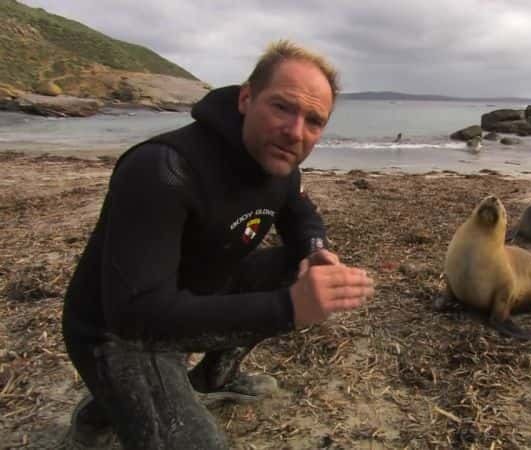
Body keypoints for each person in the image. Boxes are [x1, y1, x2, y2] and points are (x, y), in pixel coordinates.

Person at [62, 40, 375, 449]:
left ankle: (212, 377)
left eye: (314, 120)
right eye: (282, 107)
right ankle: (103, 408)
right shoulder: (163, 170)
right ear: (246, 98)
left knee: (294, 266)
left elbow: (303, 217)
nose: (296, 131)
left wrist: (315, 250)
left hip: (192, 297)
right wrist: (289, 308)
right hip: (116, 333)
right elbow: (135, 316)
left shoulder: (278, 164)